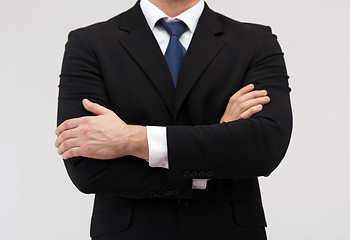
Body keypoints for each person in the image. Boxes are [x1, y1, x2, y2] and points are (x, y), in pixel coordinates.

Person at [55, 0, 292, 239]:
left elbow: (265, 145)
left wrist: (131, 139)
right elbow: (85, 167)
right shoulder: (89, 44)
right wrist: (219, 143)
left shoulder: (255, 41)